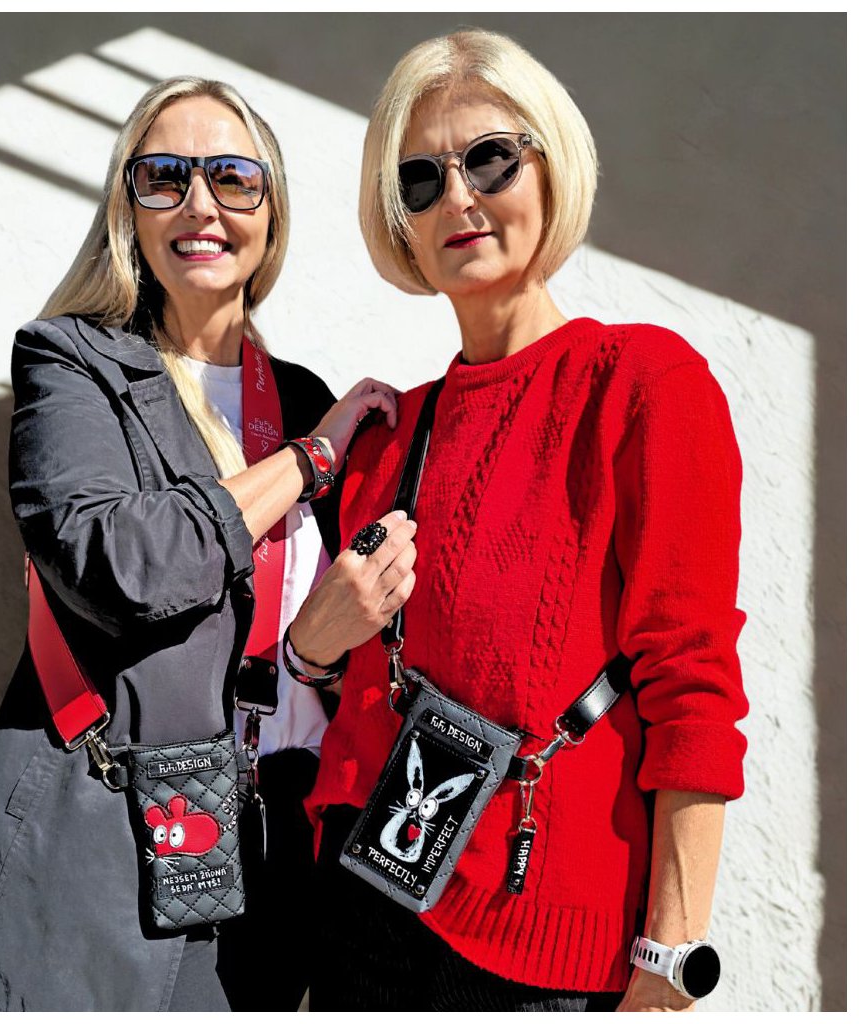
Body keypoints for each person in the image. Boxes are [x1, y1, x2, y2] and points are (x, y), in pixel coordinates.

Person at [0, 76, 406, 1012]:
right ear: (130, 209)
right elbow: (120, 563)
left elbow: (334, 651)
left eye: (232, 177)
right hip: (99, 837)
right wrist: (306, 462)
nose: (200, 204)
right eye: (164, 176)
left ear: (271, 211)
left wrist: (316, 652)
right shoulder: (71, 362)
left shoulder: (300, 394)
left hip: (266, 850)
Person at [288, 29, 749, 1012]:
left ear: (550, 165)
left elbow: (692, 683)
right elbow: (356, 690)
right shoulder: (384, 441)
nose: (457, 197)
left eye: (489, 158)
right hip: (360, 915)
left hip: (534, 955)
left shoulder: (642, 386)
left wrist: (668, 961)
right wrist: (310, 651)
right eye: (420, 180)